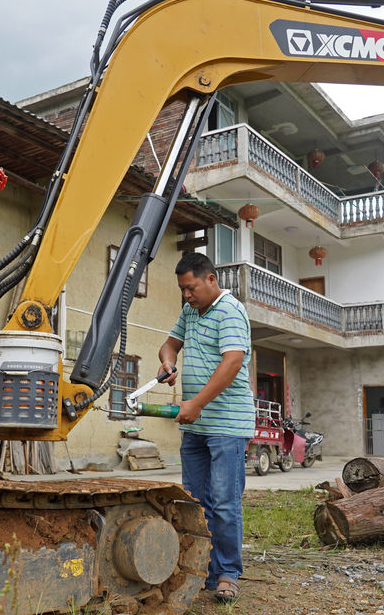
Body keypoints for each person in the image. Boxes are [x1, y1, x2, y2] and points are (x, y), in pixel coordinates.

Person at [157, 252, 254, 604]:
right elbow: (170, 345)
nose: (186, 295)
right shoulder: (190, 312)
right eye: (182, 289)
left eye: (191, 288)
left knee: (225, 502)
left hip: (227, 425)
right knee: (195, 502)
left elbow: (233, 361)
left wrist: (196, 403)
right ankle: (204, 570)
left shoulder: (230, 311)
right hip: (195, 426)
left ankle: (228, 573)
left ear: (211, 279)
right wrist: (168, 363)